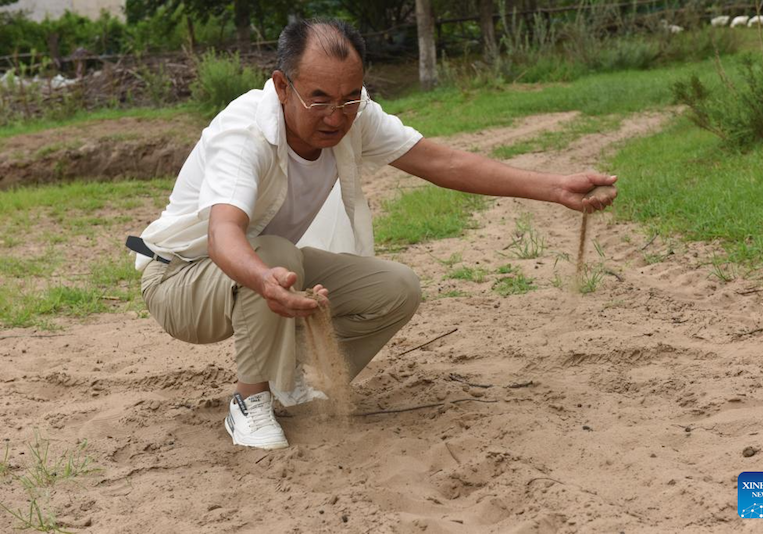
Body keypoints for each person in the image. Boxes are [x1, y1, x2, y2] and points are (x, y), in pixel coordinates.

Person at [131, 19, 617, 451]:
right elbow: (222, 235)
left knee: (396, 289)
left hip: (266, 268)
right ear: (282, 86)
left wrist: (555, 188)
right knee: (278, 254)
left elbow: (441, 162)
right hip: (180, 281)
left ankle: (291, 381)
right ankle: (249, 402)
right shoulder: (245, 133)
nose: (336, 116)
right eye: (318, 98)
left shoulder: (355, 116)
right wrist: (263, 278)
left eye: (349, 97)